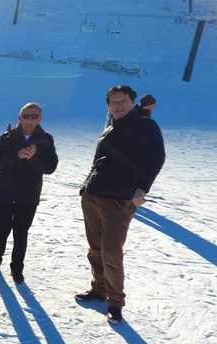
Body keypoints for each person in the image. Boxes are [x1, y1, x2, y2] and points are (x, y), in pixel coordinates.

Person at [76, 85, 165, 324]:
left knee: (111, 253)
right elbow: (99, 161)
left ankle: (115, 303)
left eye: (123, 100)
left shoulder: (144, 126)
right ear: (108, 106)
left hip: (118, 200)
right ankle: (99, 289)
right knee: (95, 249)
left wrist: (141, 188)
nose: (119, 105)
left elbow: (155, 157)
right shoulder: (110, 128)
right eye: (114, 102)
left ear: (133, 103)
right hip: (93, 196)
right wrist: (86, 187)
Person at [0, 103, 58, 283]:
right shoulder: (7, 137)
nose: (29, 120)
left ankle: (17, 269)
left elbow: (50, 168)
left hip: (28, 196)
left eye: (34, 117)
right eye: (26, 116)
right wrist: (16, 156)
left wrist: (33, 159)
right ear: (20, 117)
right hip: (3, 194)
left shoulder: (46, 140)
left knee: (21, 234)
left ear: (40, 119)